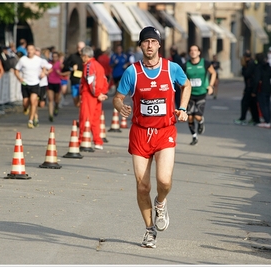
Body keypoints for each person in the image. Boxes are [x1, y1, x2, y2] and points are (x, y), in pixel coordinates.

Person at [112, 26, 191, 248]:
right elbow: (117, 98)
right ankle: (149, 230)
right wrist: (120, 106)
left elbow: (187, 85)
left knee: (164, 181)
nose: (149, 45)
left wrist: (183, 107)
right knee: (142, 186)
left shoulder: (171, 68)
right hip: (140, 132)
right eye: (145, 41)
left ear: (159, 45)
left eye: (153, 41)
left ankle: (161, 202)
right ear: (141, 46)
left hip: (165, 131)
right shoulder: (132, 72)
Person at [184, 45, 216, 145]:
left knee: (197, 116)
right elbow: (182, 79)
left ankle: (201, 122)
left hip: (201, 93)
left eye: (195, 50)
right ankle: (194, 136)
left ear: (199, 52)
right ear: (189, 53)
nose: (193, 52)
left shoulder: (205, 63)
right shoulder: (185, 65)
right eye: (191, 50)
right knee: (189, 117)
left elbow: (213, 73)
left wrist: (211, 86)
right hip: (190, 94)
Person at [79, 46, 109, 150]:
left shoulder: (89, 65)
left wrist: (97, 94)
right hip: (98, 95)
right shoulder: (99, 65)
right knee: (96, 120)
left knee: (85, 118)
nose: (81, 58)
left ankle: (81, 140)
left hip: (89, 95)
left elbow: (91, 82)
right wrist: (103, 93)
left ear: (86, 56)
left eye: (82, 56)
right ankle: (98, 141)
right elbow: (105, 80)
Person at [14, 44, 48, 128]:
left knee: (33, 101)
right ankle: (26, 108)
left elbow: (44, 67)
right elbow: (16, 70)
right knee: (25, 103)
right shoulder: (23, 59)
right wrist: (19, 78)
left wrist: (43, 73)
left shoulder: (39, 60)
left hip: (35, 83)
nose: (30, 51)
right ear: (26, 51)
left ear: (34, 51)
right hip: (25, 83)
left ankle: (30, 120)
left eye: (31, 49)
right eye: (28, 50)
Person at [234, 50, 259, 126]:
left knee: (245, 103)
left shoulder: (250, 64)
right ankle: (255, 119)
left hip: (251, 87)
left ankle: (243, 118)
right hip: (250, 87)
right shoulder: (252, 63)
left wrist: (243, 68)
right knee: (252, 104)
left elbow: (247, 74)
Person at [252, 53, 271, 128]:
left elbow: (257, 80)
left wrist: (254, 91)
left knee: (263, 105)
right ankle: (268, 120)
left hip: (261, 89)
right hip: (268, 89)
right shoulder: (268, 67)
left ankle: (267, 121)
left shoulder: (258, 68)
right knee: (267, 105)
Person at [62, 41, 85, 107]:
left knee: (82, 101)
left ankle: (83, 116)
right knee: (76, 102)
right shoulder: (73, 56)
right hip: (75, 81)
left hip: (84, 82)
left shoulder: (87, 57)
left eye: (82, 48)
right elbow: (64, 67)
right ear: (76, 48)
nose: (80, 50)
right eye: (79, 48)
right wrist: (71, 68)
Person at [47, 51, 63, 122]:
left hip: (57, 83)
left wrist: (60, 73)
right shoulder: (49, 64)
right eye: (53, 57)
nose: (54, 58)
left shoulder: (60, 64)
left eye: (56, 57)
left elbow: (65, 72)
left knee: (56, 99)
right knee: (50, 99)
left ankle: (56, 107)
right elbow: (45, 70)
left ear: (58, 57)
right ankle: (50, 115)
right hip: (50, 83)